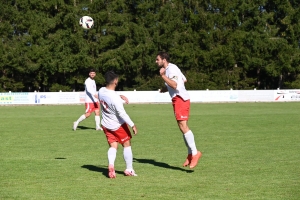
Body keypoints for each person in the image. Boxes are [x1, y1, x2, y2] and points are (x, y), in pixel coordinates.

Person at [156, 51, 202, 169]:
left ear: (164, 60)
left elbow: (176, 85)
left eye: (158, 59)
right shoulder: (173, 68)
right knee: (182, 127)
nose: (156, 62)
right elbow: (183, 80)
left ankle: (195, 153)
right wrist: (166, 89)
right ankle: (190, 154)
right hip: (178, 99)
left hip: (180, 98)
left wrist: (163, 76)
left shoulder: (170, 69)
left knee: (183, 126)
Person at [98, 70, 138, 178]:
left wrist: (119, 95)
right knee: (127, 144)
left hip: (105, 124)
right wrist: (132, 124)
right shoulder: (115, 98)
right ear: (115, 81)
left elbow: (109, 95)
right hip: (117, 125)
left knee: (113, 146)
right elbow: (122, 114)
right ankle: (129, 169)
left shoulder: (101, 91)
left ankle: (111, 165)